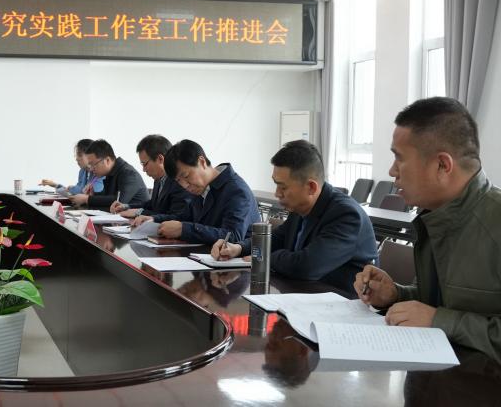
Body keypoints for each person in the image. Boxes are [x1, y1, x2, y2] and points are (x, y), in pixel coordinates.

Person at [355, 97, 501, 363]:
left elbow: (440, 316)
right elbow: (439, 303)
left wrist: (440, 321)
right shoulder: (435, 216)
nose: (392, 171)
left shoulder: (494, 222)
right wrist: (396, 295)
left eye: (399, 158)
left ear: (442, 165)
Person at [211, 140, 377, 292]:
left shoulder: (346, 215)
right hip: (303, 293)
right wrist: (238, 248)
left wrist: (263, 257)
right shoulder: (300, 206)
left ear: (311, 187)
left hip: (339, 302)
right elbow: (277, 239)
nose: (277, 193)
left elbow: (308, 266)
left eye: (283, 187)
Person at [160, 139, 260, 245]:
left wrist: (184, 229)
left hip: (243, 255)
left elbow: (232, 237)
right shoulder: (202, 188)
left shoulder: (237, 191)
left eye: (186, 176)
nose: (185, 185)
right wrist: (154, 220)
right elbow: (184, 218)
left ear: (202, 162)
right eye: (179, 181)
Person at [111, 134, 191, 225]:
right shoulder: (159, 179)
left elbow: (176, 217)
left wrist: (139, 212)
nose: (144, 170)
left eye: (145, 164)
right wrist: (127, 206)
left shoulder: (179, 181)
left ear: (160, 159)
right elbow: (153, 204)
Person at [70, 140, 148, 209]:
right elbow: (106, 196)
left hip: (136, 219)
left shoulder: (128, 173)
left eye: (93, 164)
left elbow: (119, 201)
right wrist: (93, 195)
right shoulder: (110, 172)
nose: (91, 169)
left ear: (107, 160)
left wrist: (87, 199)